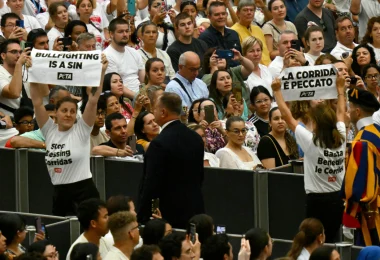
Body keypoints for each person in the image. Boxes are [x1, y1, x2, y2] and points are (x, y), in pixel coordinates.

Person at [29, 54, 108, 216]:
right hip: (60, 193)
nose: (68, 114)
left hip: (84, 192)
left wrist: (101, 72)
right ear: (55, 113)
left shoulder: (82, 129)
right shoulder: (49, 130)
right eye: (64, 110)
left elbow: (93, 100)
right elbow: (37, 101)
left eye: (72, 111)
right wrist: (32, 72)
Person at [271, 75, 346, 243]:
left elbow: (288, 118)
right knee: (331, 240)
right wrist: (340, 89)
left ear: (316, 123)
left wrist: (277, 91)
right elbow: (341, 112)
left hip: (316, 201)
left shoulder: (311, 142)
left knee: (313, 242)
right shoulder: (341, 137)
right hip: (337, 199)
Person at [137, 92, 205, 228]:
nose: (153, 111)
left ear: (163, 112)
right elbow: (200, 176)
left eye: (155, 109)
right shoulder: (196, 138)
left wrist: (141, 215)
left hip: (168, 215)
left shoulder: (159, 143)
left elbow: (151, 183)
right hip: (195, 210)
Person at [341, 88, 380, 246]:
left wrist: (349, 216)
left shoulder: (361, 142)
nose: (347, 112)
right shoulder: (377, 131)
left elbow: (356, 185)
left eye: (349, 108)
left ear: (357, 112)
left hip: (371, 213)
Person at [104, 18, 145, 96]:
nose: (125, 34)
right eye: (121, 32)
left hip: (140, 94)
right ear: (111, 34)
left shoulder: (134, 52)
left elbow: (143, 80)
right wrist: (137, 97)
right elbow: (115, 86)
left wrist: (144, 94)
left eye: (127, 31)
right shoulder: (107, 55)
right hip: (122, 97)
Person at [199, 2, 241, 67]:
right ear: (209, 17)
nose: (221, 17)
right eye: (217, 14)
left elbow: (240, 57)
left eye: (223, 14)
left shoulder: (234, 34)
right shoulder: (205, 37)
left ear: (227, 15)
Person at [231, 0, 271, 66]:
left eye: (251, 10)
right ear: (238, 13)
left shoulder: (258, 29)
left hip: (268, 67)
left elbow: (265, 52)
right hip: (249, 69)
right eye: (245, 10)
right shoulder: (233, 32)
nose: (249, 13)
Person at [0, 39, 33, 116]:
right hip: (10, 123)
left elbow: (44, 93)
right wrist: (19, 65)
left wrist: (34, 70)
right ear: (3, 56)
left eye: (20, 52)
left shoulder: (26, 69)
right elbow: (14, 93)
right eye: (14, 52)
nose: (19, 55)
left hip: (31, 120)